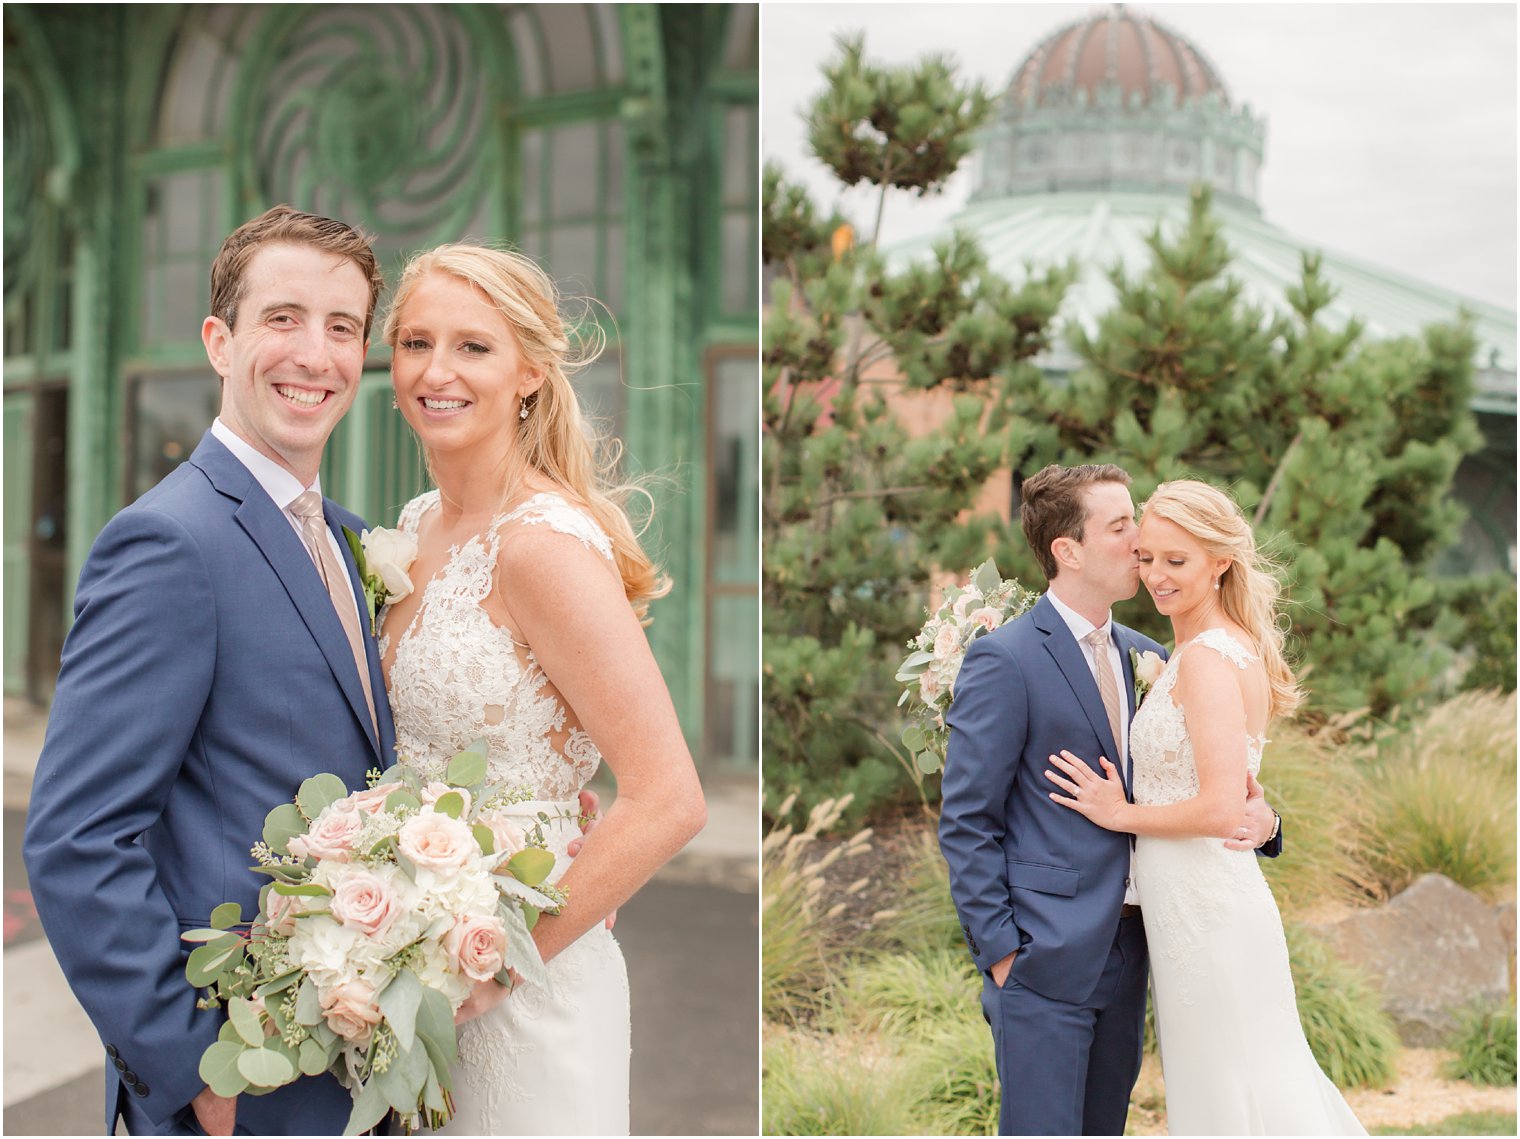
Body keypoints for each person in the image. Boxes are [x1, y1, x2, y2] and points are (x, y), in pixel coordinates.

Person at [23, 206, 391, 1135]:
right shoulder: (167, 542)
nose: (315, 353)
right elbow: (76, 837)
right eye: (282, 318)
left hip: (350, 1073)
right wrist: (197, 1072)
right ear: (219, 342)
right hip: (242, 1088)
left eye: (341, 327)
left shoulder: (351, 542)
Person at [376, 243, 706, 1135]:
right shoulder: (414, 528)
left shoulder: (541, 545)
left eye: (472, 347)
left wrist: (501, 964)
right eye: (414, 342)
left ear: (528, 371)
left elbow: (669, 798)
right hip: (412, 974)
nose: (435, 371)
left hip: (519, 986)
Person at [938, 463, 1282, 1136]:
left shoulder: (1151, 653)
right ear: (1068, 550)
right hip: (1043, 958)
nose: (1139, 541)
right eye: (1123, 527)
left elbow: (1199, 778)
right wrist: (1005, 952)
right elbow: (967, 820)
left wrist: (1266, 820)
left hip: (1136, 949)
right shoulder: (1005, 660)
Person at [1045, 479, 1365, 1135]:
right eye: (1148, 557)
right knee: (1227, 1085)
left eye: (1176, 560)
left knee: (1239, 1088)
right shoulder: (1183, 653)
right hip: (1184, 908)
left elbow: (1222, 806)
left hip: (1210, 915)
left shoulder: (1210, 661)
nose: (1155, 575)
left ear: (1220, 561)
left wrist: (1119, 811)